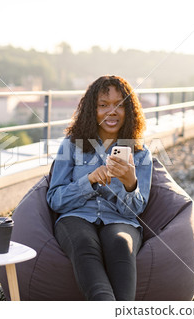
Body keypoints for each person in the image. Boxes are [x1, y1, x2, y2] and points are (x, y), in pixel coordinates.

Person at [46, 75, 152, 301]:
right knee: (83, 243)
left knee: (121, 243)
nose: (111, 112)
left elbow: (134, 212)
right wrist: (90, 181)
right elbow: (55, 199)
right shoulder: (71, 144)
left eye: (119, 105)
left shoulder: (140, 153)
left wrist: (130, 184)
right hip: (76, 217)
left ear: (129, 111)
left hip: (119, 220)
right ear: (91, 110)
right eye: (103, 105)